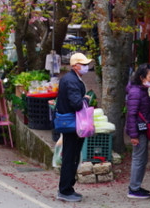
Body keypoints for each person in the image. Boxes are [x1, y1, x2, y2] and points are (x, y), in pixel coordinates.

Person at [55, 52, 93, 202]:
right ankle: (65, 189)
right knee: (70, 157)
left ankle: (68, 188)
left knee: (72, 157)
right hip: (72, 124)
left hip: (72, 123)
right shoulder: (71, 81)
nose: (86, 67)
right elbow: (76, 104)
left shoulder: (71, 79)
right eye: (83, 65)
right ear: (75, 66)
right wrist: (85, 99)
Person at [126, 64, 150, 199]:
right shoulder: (136, 92)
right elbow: (131, 114)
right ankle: (134, 188)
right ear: (141, 77)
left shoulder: (143, 90)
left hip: (142, 128)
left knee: (142, 159)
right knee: (138, 159)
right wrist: (134, 135)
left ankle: (136, 186)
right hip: (138, 130)